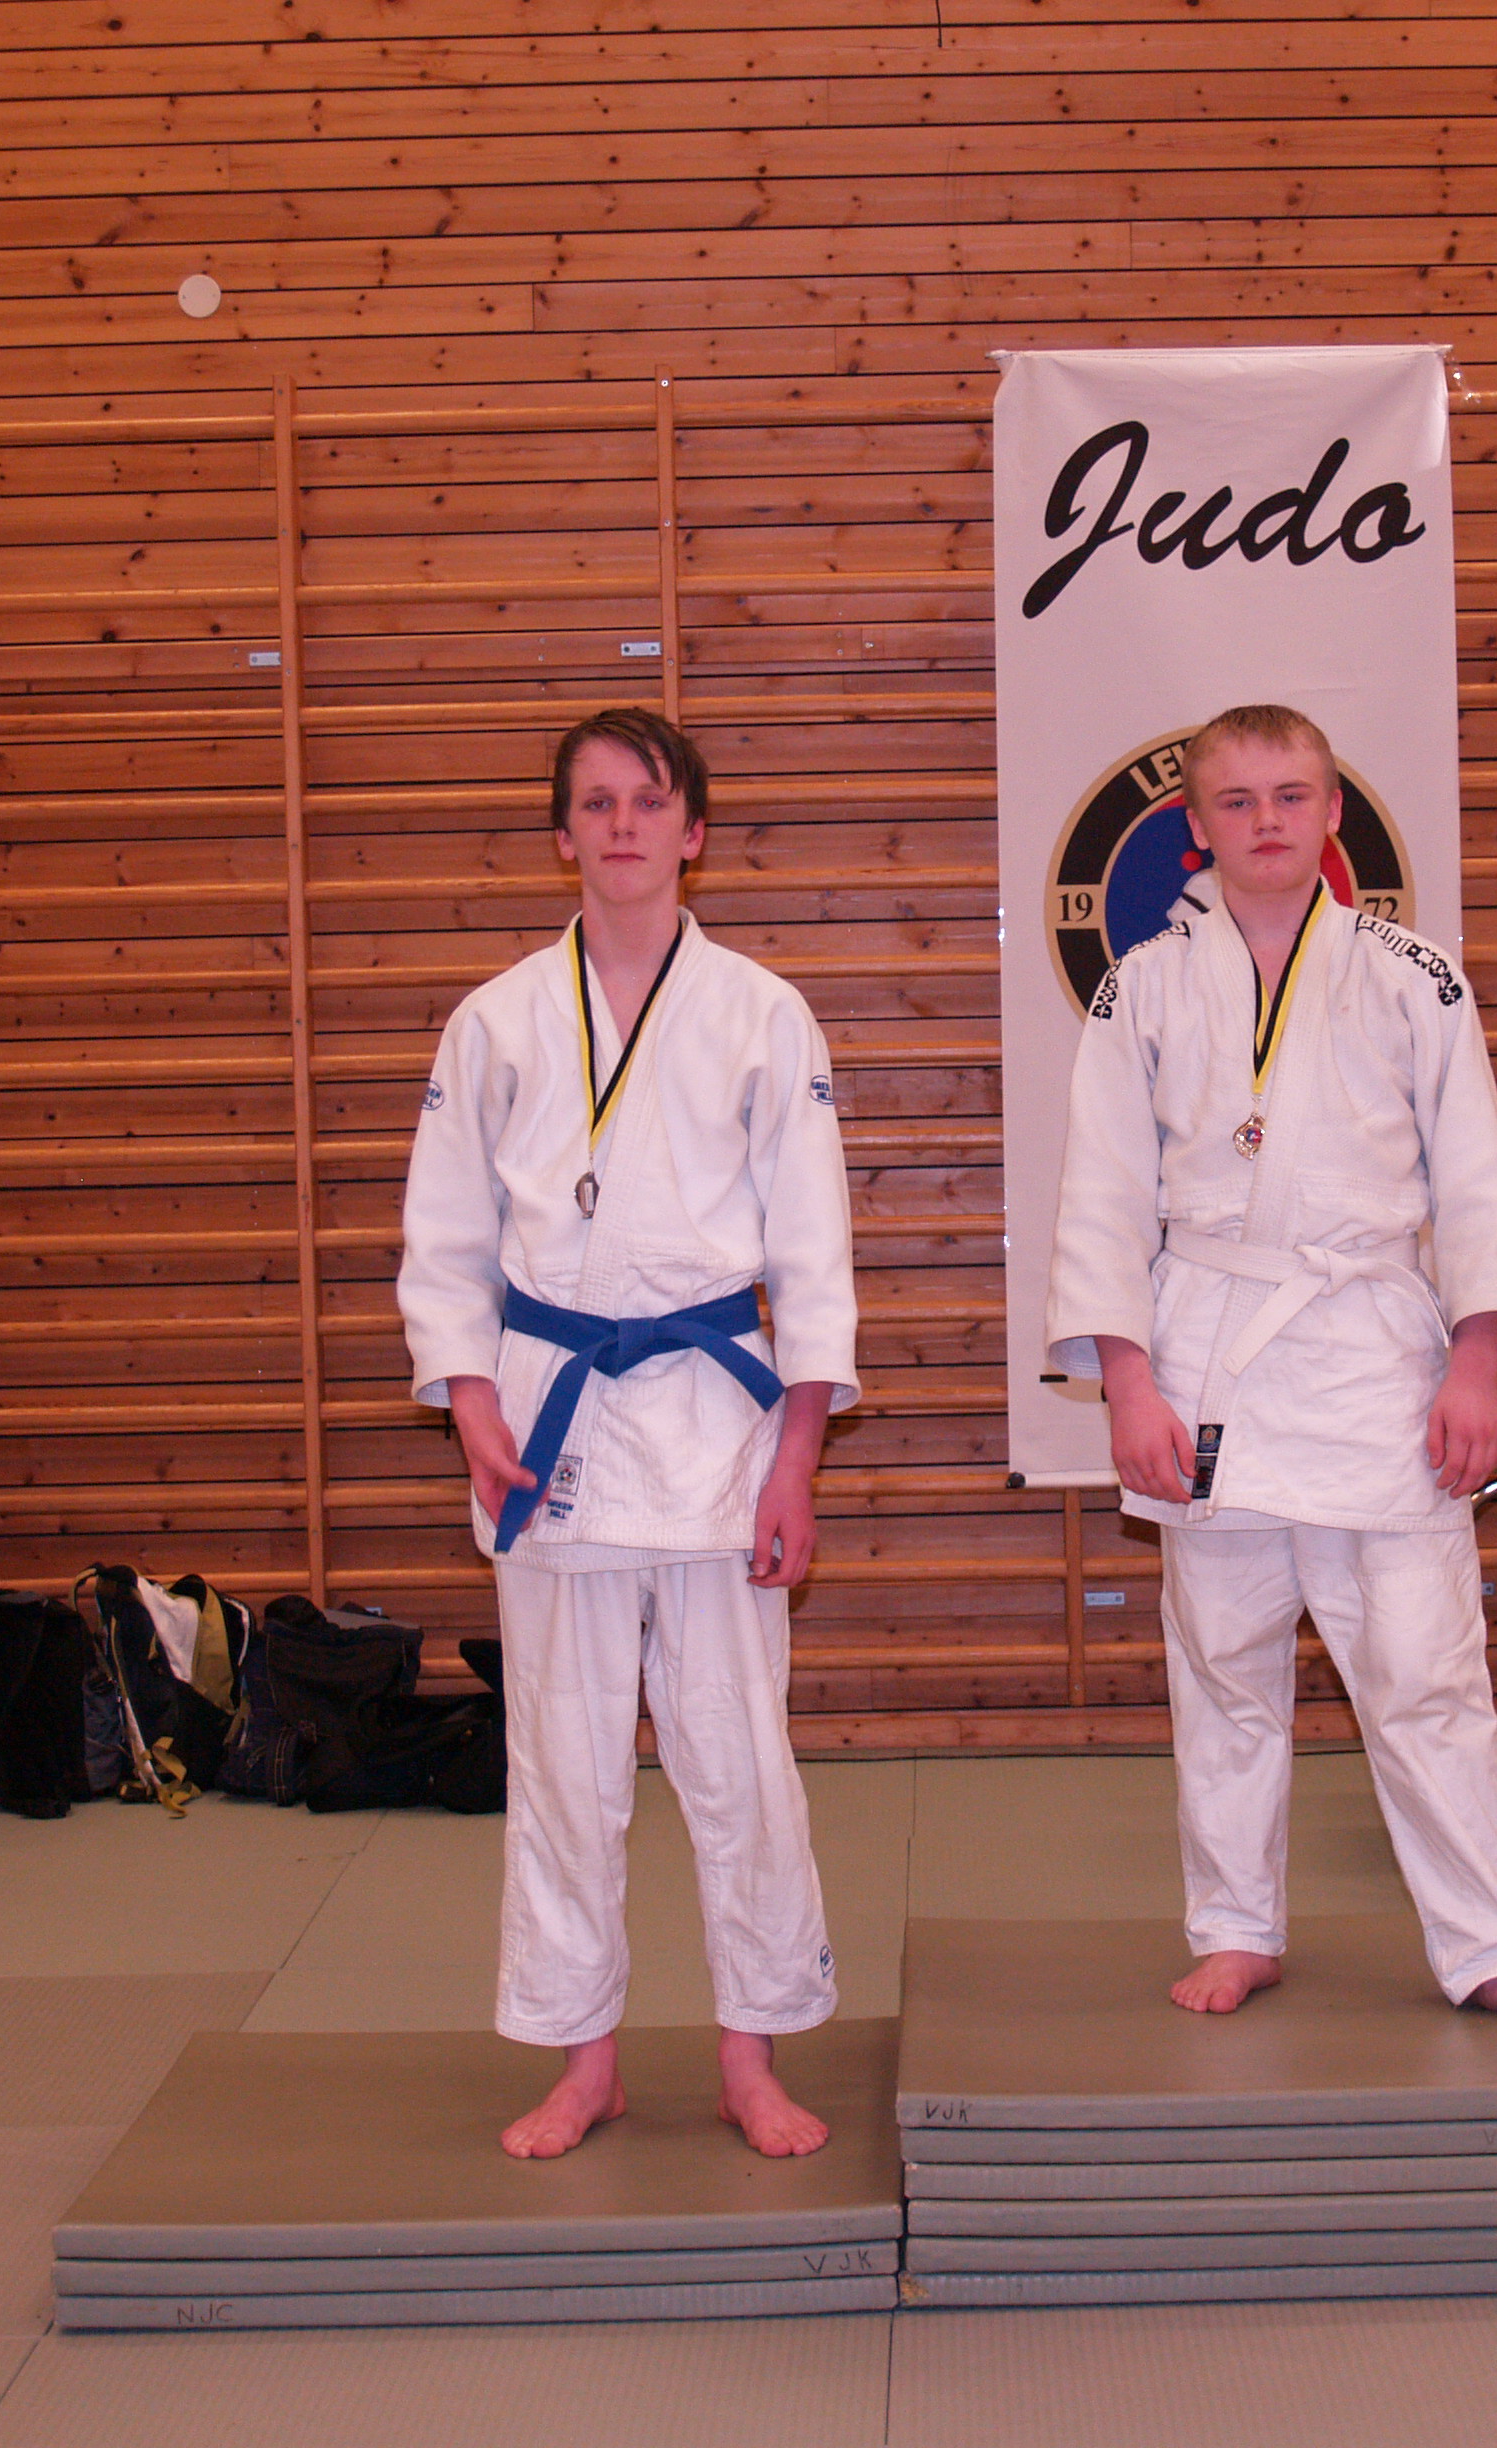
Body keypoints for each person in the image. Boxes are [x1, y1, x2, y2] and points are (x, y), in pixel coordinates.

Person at [1046, 703, 1497, 2035]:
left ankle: (1492, 1944)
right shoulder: (1141, 989)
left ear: (1333, 811)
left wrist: (1475, 1366)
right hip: (1210, 1356)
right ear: (1195, 825)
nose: (1268, 821)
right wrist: (1128, 1383)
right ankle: (1236, 1927)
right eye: (1237, 801)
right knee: (1224, 1673)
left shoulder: (1416, 977)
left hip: (1374, 1358)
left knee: (1425, 1673)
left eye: (1291, 795)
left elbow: (1472, 1182)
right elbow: (1102, 1199)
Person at [398, 707, 858, 2160]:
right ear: (562, 835)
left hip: (717, 1418)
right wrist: (472, 1406)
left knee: (739, 1757)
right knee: (563, 1763)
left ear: (694, 831)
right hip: (551, 1418)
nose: (622, 827)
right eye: (596, 804)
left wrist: (798, 1459)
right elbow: (444, 1241)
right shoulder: (495, 1022)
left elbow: (815, 1259)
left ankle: (750, 2056)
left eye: (649, 803)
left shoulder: (764, 1014)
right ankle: (582, 2059)